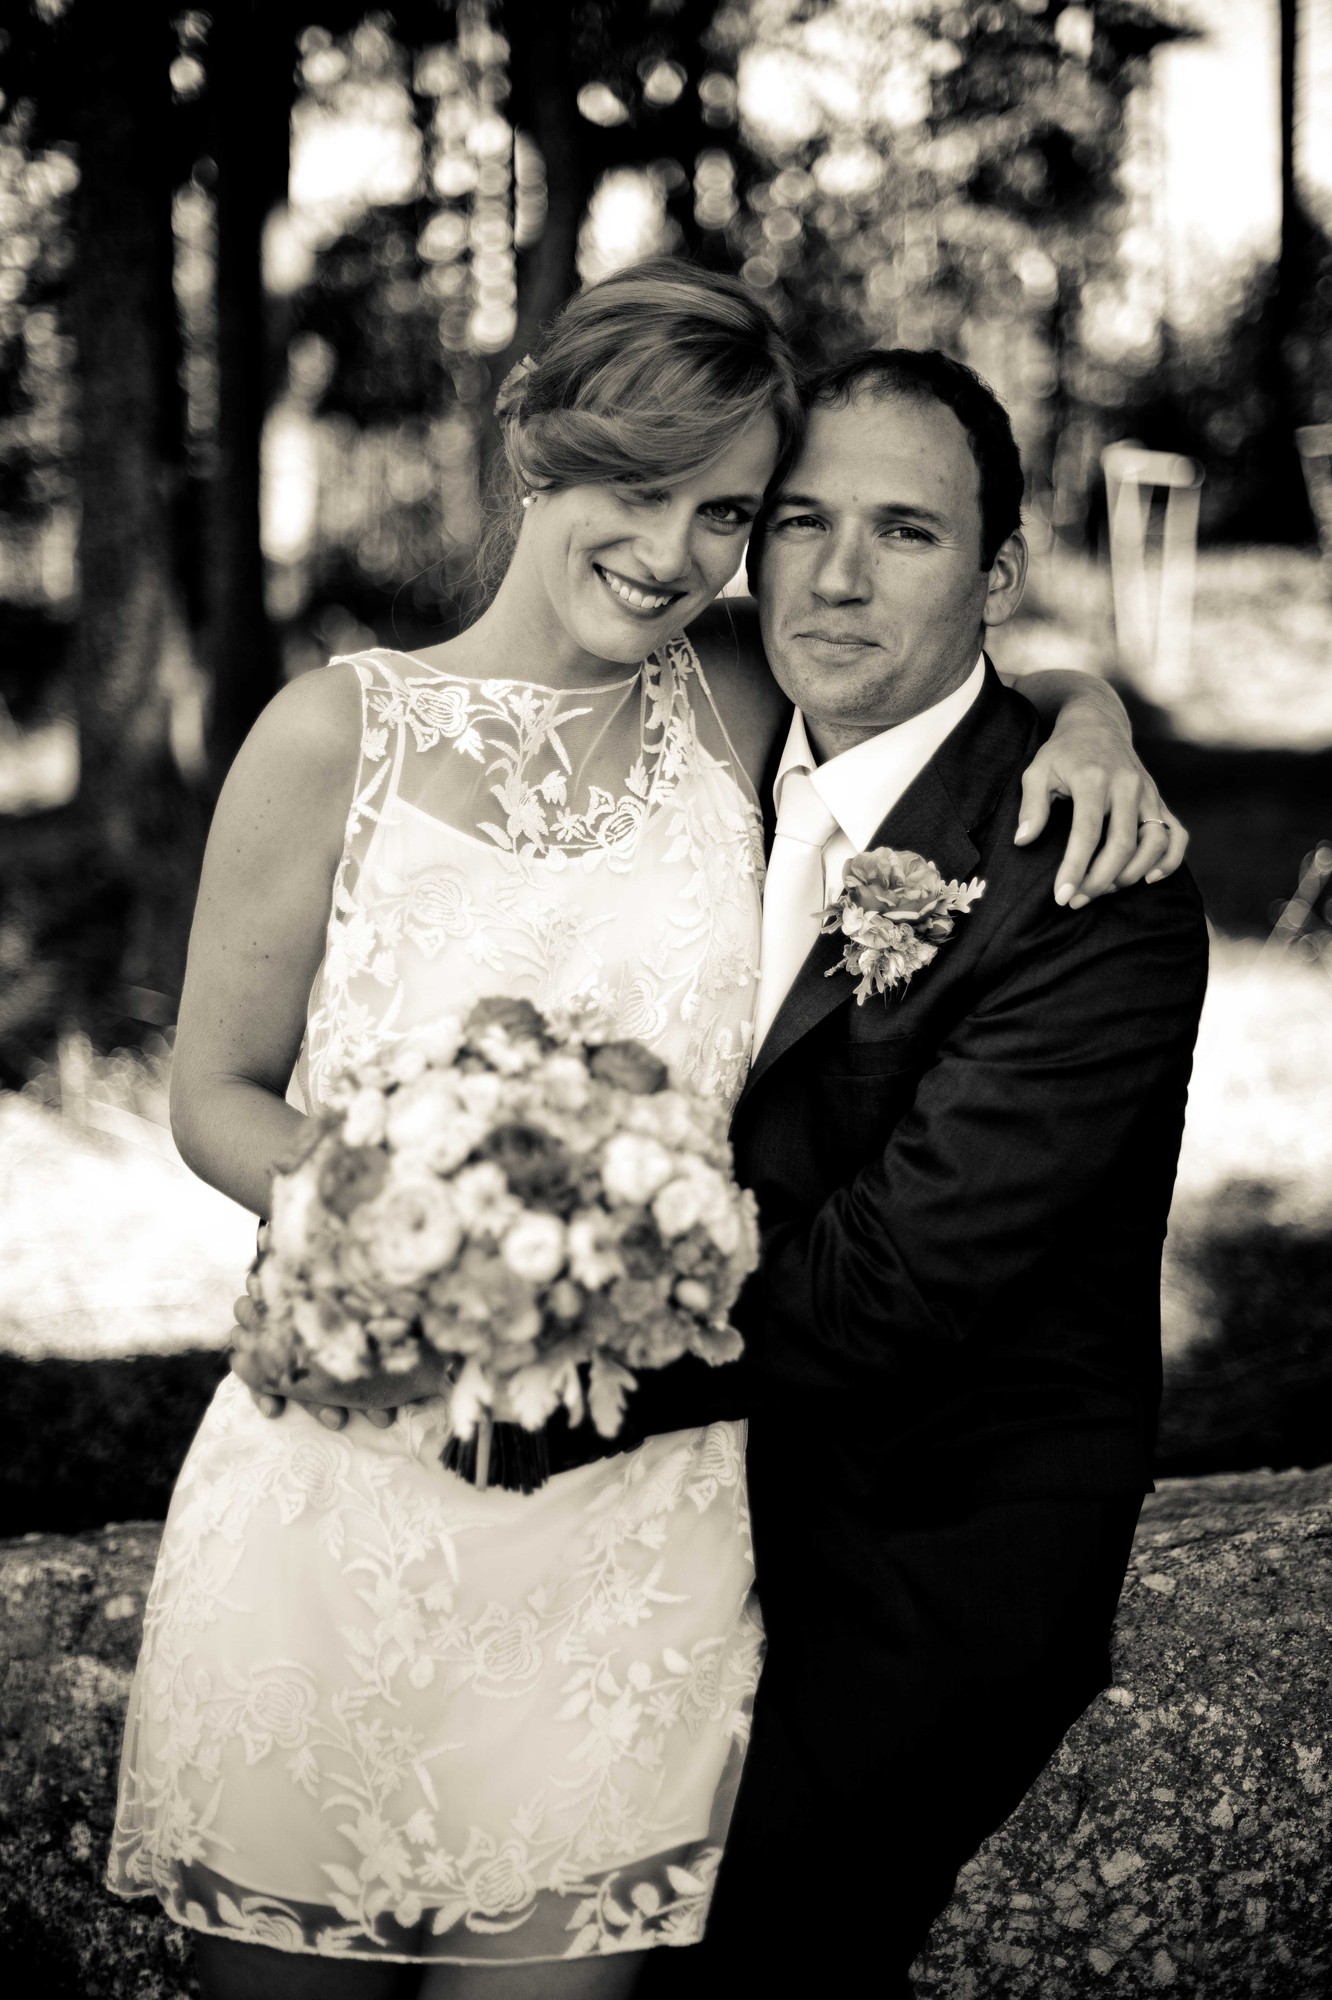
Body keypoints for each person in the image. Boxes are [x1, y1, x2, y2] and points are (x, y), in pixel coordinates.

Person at [107, 260, 1187, 2000]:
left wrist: (1093, 715)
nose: (677, 552)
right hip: (346, 1463)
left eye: (722, 513)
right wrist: (407, 1225)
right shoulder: (331, 734)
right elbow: (211, 1094)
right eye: (638, 487)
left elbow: (932, 663)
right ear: (534, 448)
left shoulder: (731, 703)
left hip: (638, 1513)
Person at [675, 350, 1209, 1997]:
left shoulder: (1084, 882)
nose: (836, 575)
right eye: (801, 521)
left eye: (905, 533)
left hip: (924, 1552)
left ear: (996, 576)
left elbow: (880, 1297)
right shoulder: (706, 755)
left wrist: (514, 1346)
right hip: (697, 1488)